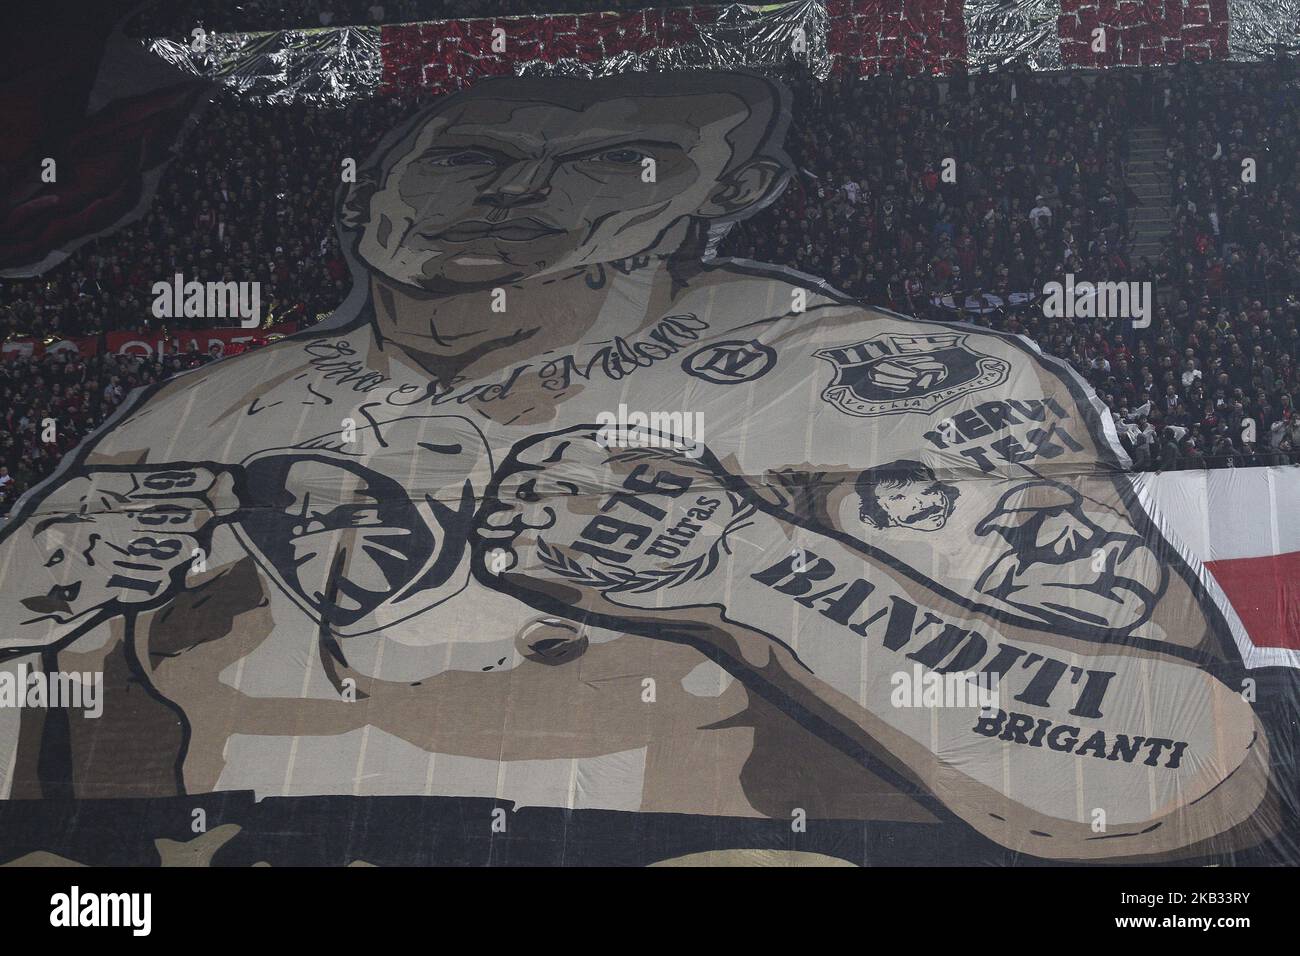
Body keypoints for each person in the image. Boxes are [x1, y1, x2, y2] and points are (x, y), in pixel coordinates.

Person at [0, 71, 1269, 861]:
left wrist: (751, 571)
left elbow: (1176, 779)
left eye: (617, 162)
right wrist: (16, 618)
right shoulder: (211, 408)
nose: (519, 197)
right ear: (374, 182)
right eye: (474, 158)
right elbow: (46, 773)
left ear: (734, 186)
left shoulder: (874, 388)